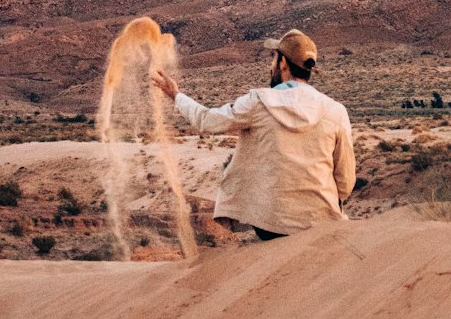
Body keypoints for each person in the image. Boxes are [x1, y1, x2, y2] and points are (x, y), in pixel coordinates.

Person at [152, 29, 355, 240]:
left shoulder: (258, 102)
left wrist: (176, 95)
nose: (272, 65)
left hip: (272, 225)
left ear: (283, 63)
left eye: (274, 58)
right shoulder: (336, 111)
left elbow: (207, 121)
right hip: (323, 221)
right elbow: (345, 181)